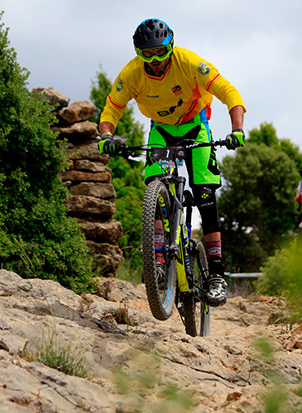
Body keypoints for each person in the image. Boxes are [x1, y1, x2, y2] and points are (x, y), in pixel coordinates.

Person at [97, 18, 246, 306]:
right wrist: (106, 135)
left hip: (195, 125)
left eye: (160, 52)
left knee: (205, 194)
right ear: (138, 53)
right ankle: (158, 258)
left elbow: (229, 92)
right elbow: (112, 108)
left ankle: (216, 275)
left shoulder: (189, 62)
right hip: (162, 131)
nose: (155, 60)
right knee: (155, 185)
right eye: (147, 54)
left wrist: (237, 129)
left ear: (171, 46)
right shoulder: (131, 73)